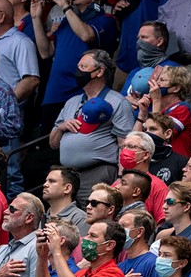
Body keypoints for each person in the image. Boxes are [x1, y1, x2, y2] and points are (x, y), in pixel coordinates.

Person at [49, 51, 131, 205]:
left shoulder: (117, 102)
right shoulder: (71, 102)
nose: (78, 71)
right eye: (78, 66)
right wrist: (61, 128)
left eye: (83, 67)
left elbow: (124, 144)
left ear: (99, 72)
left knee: (93, 219)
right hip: (68, 176)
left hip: (98, 173)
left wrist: (121, 178)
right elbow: (53, 143)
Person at [35, 0, 119, 123]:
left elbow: (86, 35)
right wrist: (36, 19)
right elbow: (46, 52)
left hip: (83, 94)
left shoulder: (106, 20)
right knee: (47, 144)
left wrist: (66, 7)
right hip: (54, 93)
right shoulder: (67, 21)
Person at [42, 167, 88, 234]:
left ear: (67, 188)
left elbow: (83, 244)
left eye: (52, 181)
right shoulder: (42, 218)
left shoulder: (80, 219)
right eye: (46, 181)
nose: (45, 184)